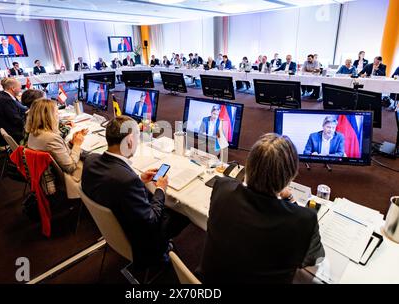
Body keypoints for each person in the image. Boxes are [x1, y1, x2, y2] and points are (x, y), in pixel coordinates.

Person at [199, 133, 325, 284]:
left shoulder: (222, 187)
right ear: (291, 176)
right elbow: (315, 258)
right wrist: (291, 200)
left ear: (249, 166)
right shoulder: (304, 219)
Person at [81, 116, 190, 268]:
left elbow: (115, 183)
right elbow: (151, 221)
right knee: (183, 210)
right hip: (139, 240)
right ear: (130, 141)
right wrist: (160, 189)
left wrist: (139, 178)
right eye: (138, 137)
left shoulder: (91, 160)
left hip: (114, 228)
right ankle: (162, 250)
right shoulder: (127, 180)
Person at [26, 99, 86, 192]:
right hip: (66, 177)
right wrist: (77, 145)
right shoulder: (50, 138)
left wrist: (71, 143)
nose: (58, 116)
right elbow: (71, 167)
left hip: (47, 174)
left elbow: (57, 151)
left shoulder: (34, 132)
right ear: (48, 117)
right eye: (56, 113)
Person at [0, 78, 27, 143]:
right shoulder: (6, 101)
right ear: (13, 88)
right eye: (20, 88)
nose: (21, 90)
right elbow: (17, 121)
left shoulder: (4, 96)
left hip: (7, 128)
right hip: (11, 133)